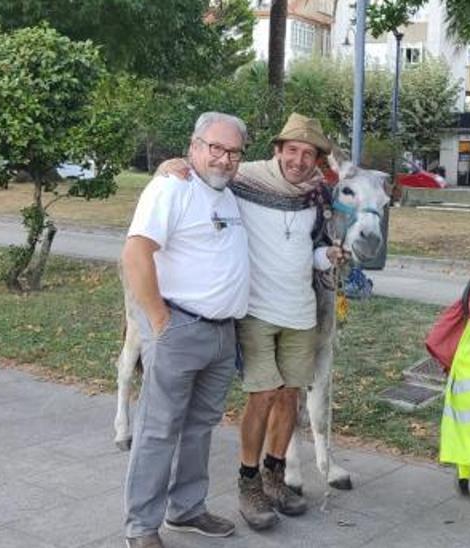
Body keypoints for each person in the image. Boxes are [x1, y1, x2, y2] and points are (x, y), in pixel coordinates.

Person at [158, 113, 342, 531]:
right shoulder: (247, 180)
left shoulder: (316, 194)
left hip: (300, 311)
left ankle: (276, 476)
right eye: (291, 150)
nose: (298, 160)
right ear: (277, 150)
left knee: (291, 395)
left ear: (316, 160)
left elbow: (310, 249)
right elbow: (206, 169)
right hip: (257, 310)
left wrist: (326, 257)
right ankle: (248, 482)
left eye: (308, 153)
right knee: (263, 395)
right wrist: (170, 164)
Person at [120, 112, 249, 548]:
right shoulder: (171, 187)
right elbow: (136, 254)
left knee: (199, 428)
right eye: (215, 148)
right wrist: (159, 321)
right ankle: (141, 526)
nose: (224, 159)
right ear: (194, 147)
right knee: (159, 429)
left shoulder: (230, 194)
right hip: (178, 327)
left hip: (221, 334)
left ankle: (187, 509)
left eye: (233, 152)